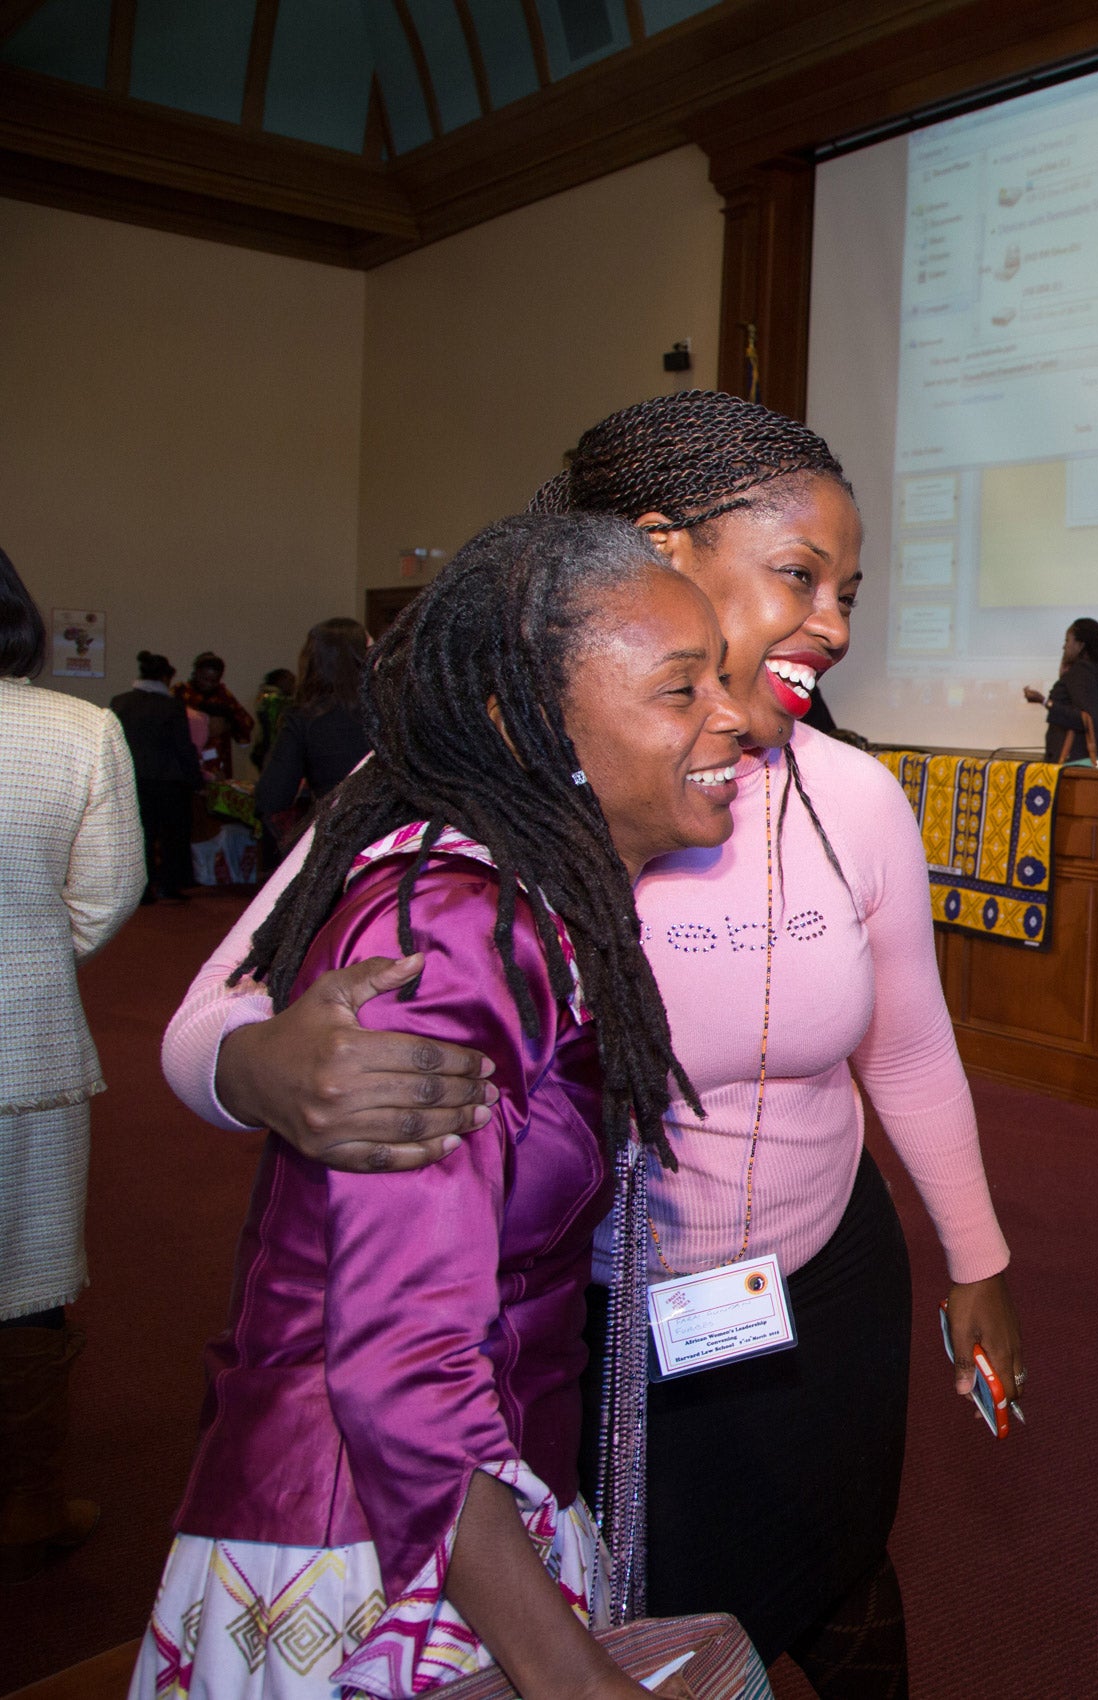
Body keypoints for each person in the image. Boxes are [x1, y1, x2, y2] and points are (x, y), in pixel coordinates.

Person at [162, 390, 1020, 1700]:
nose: (835, 625)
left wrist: (978, 1265)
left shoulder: (848, 794)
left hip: (817, 1276)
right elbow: (212, 1020)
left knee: (837, 1569)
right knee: (629, 1589)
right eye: (801, 576)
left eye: (850, 588)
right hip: (598, 1313)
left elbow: (906, 1048)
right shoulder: (460, 781)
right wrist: (263, 1067)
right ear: (663, 551)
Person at [137, 513, 749, 1700]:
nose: (729, 716)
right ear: (530, 725)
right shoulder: (455, 935)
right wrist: (568, 1673)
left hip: (467, 1504)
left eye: (718, 675)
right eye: (683, 689)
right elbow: (399, 1367)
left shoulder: (533, 891)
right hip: (378, 1556)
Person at [0, 545, 141, 1584]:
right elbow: (106, 893)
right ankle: (22, 1506)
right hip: (26, 1045)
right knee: (25, 1277)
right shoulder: (75, 729)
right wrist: (33, 961)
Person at [254, 616, 373, 843]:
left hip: (338, 838)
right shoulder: (392, 709)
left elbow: (272, 797)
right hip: (400, 840)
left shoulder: (306, 717)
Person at [111, 651, 199, 904]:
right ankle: (169, 885)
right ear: (165, 678)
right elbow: (184, 747)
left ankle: (142, 889)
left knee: (141, 836)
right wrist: (196, 780)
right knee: (172, 837)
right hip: (169, 781)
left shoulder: (120, 702)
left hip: (134, 780)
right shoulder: (172, 706)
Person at [1023, 617, 1098, 762]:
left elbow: (1085, 717)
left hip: (1079, 760)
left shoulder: (1082, 671)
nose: (1064, 647)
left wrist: (1044, 702)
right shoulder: (1094, 671)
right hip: (1090, 758)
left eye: (1067, 641)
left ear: (1080, 645)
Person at [176, 650, 253, 779]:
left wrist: (227, 722)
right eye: (205, 679)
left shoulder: (224, 695)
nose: (208, 684)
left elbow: (246, 722)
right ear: (196, 673)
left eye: (214, 680)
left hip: (218, 761)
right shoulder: (181, 692)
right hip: (189, 759)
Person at [248, 667, 294, 771]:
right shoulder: (273, 699)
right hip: (270, 748)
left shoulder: (265, 697)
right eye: (291, 681)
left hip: (267, 747)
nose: (294, 685)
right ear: (281, 681)